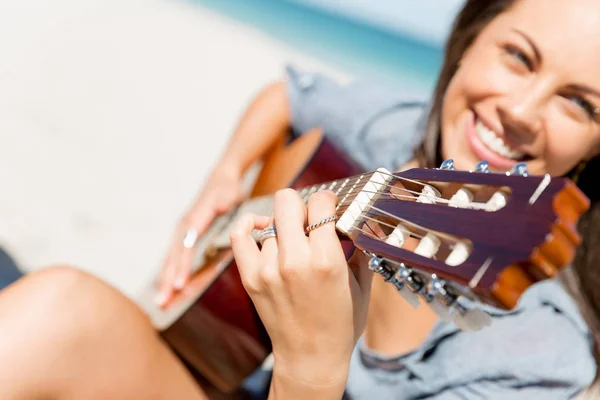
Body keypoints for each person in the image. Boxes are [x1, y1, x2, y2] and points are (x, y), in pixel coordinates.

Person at [1, 0, 600, 398]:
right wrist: (225, 183)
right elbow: (289, 94)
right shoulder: (403, 131)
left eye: (580, 103)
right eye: (517, 56)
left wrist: (311, 367)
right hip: (218, 375)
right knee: (61, 305)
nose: (520, 112)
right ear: (469, 41)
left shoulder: (535, 359)